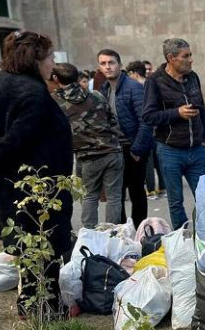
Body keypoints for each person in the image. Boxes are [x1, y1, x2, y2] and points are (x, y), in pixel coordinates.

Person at [0, 31, 74, 314]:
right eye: (50, 57)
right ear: (36, 59)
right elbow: (16, 138)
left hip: (13, 185)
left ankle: (29, 302)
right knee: (44, 247)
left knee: (27, 248)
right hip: (37, 186)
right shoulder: (32, 92)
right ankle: (46, 308)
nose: (53, 64)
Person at [142, 38, 205, 229]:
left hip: (197, 150)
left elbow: (202, 108)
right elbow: (148, 116)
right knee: (176, 201)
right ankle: (183, 237)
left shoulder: (193, 77)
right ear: (171, 58)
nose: (191, 59)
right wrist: (177, 113)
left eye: (190, 55)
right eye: (185, 56)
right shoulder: (154, 81)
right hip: (170, 151)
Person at [51, 62, 124, 228]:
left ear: (55, 78)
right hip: (113, 151)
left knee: (90, 196)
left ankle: (89, 233)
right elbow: (113, 120)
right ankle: (112, 233)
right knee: (114, 197)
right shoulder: (96, 95)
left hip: (88, 156)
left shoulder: (55, 102)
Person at [98, 48, 154, 229]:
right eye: (103, 63)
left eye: (111, 62)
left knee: (137, 192)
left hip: (132, 148)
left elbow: (146, 121)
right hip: (113, 150)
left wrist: (137, 150)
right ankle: (122, 232)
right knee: (117, 194)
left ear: (119, 65)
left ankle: (140, 231)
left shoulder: (133, 87)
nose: (107, 67)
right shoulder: (104, 89)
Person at [125, 60, 165, 200]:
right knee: (158, 161)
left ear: (134, 73)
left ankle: (151, 190)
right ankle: (162, 188)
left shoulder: (137, 88)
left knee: (148, 161)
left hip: (146, 129)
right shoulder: (154, 84)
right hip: (158, 128)